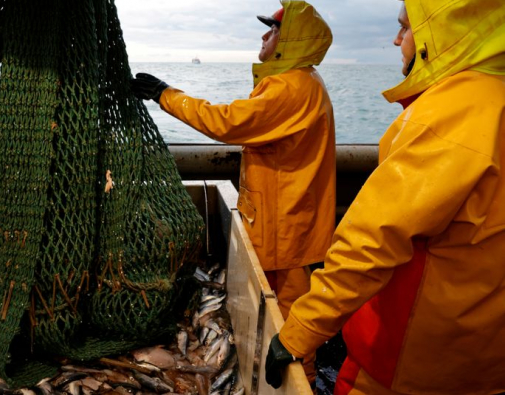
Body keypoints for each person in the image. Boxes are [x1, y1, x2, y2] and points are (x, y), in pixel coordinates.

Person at [265, 0, 505, 393]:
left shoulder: (449, 114)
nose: (396, 41)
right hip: (483, 364)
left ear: (437, 37)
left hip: (408, 367)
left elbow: (371, 241)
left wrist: (298, 332)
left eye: (406, 29)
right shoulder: (496, 97)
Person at [132, 0, 335, 387]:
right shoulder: (298, 82)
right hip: (287, 219)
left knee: (291, 319)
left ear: (290, 41)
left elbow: (227, 122)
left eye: (272, 30)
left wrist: (164, 94)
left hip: (286, 227)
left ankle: (301, 383)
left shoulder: (291, 86)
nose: (264, 36)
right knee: (284, 311)